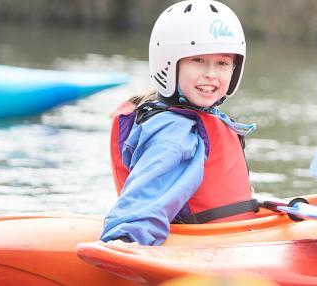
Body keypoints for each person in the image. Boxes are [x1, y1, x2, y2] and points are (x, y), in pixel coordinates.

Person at [101, 0, 259, 246]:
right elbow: (148, 194)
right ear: (169, 63)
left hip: (231, 241)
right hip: (207, 253)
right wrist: (126, 239)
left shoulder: (196, 119)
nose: (211, 73)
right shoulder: (175, 131)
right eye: (198, 60)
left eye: (222, 63)